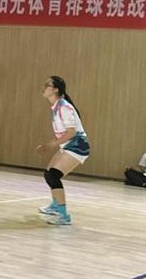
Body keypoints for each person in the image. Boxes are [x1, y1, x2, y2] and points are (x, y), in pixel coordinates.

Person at [36, 76, 90, 225]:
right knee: (49, 174)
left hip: (77, 146)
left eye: (47, 85)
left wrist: (51, 145)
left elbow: (71, 132)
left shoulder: (64, 107)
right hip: (69, 146)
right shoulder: (56, 106)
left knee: (53, 176)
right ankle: (55, 206)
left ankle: (64, 216)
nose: (43, 87)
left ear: (55, 90)